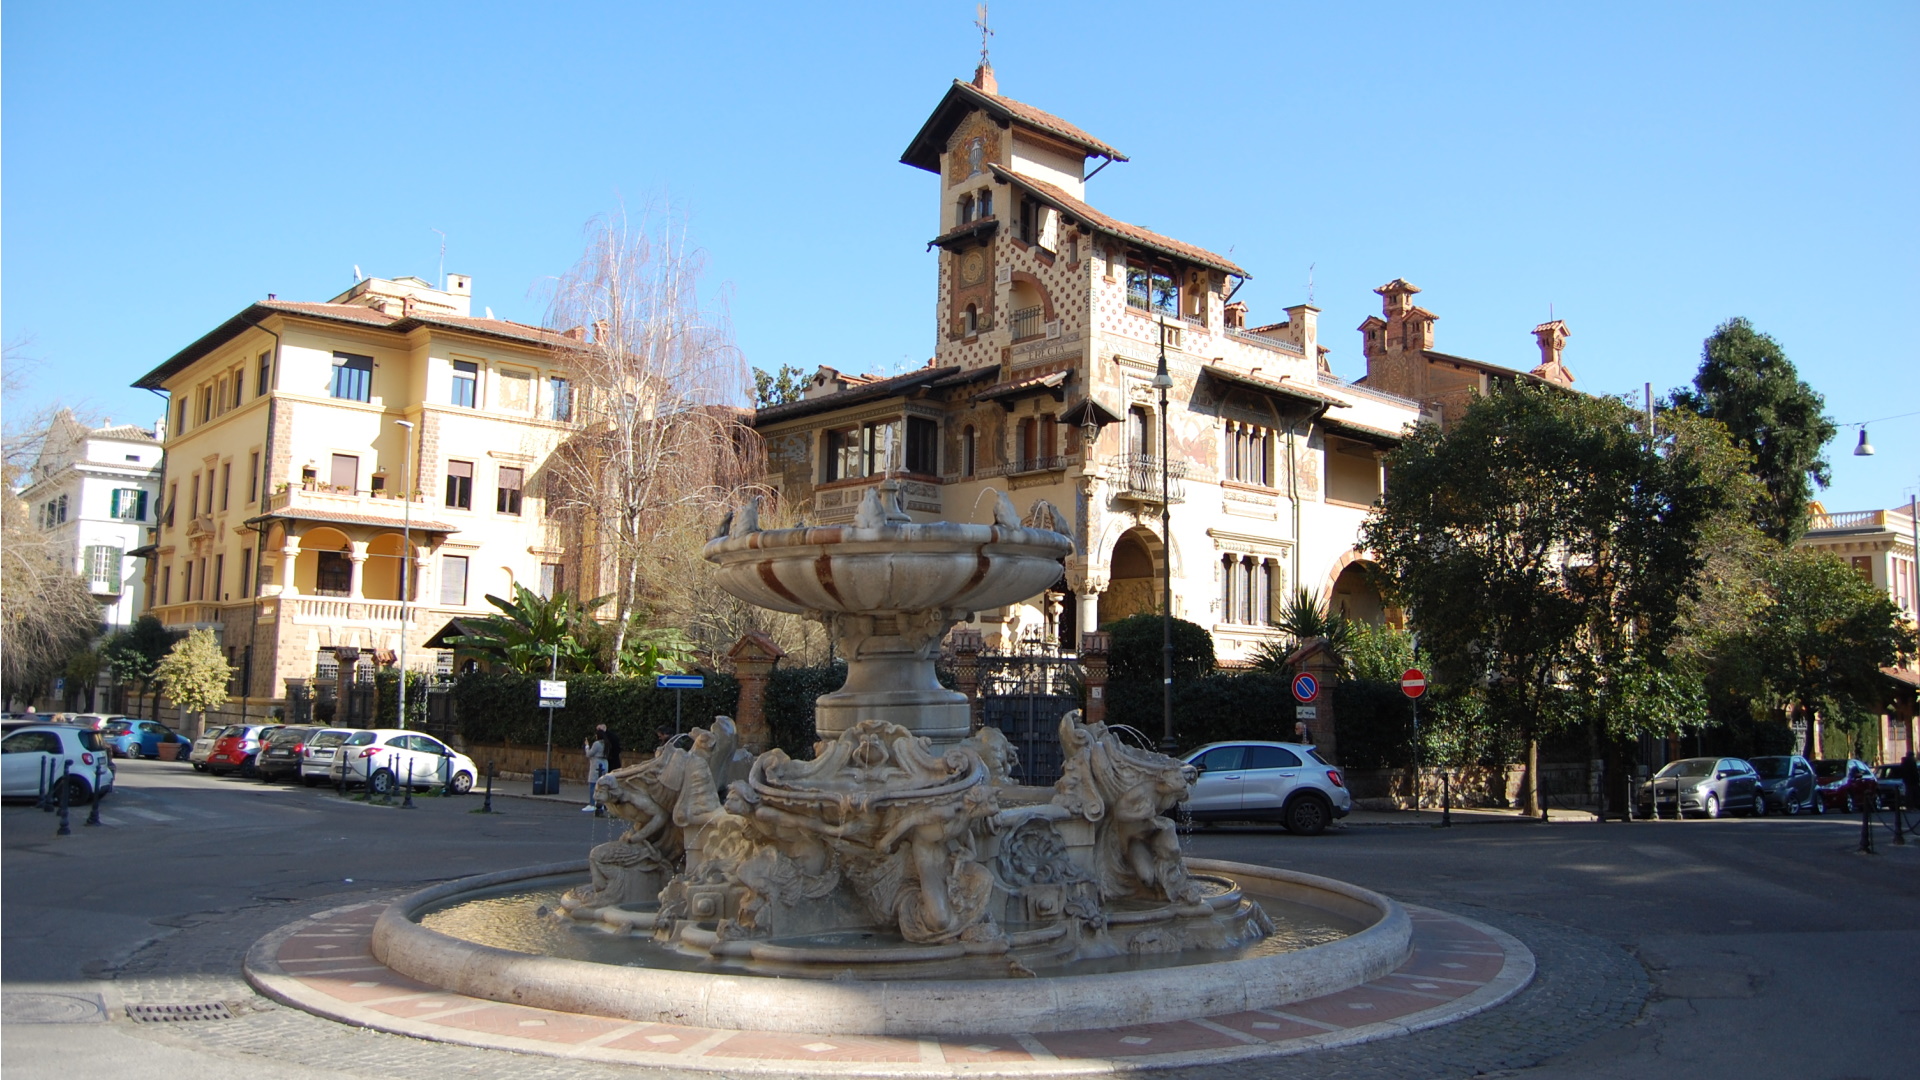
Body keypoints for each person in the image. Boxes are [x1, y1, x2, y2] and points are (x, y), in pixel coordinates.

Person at [582, 730, 607, 813]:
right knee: (602, 785)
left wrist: (587, 746)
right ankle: (601, 804)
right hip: (605, 763)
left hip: (596, 763)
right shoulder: (607, 743)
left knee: (593, 783)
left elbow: (589, 754)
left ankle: (592, 804)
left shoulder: (597, 744)